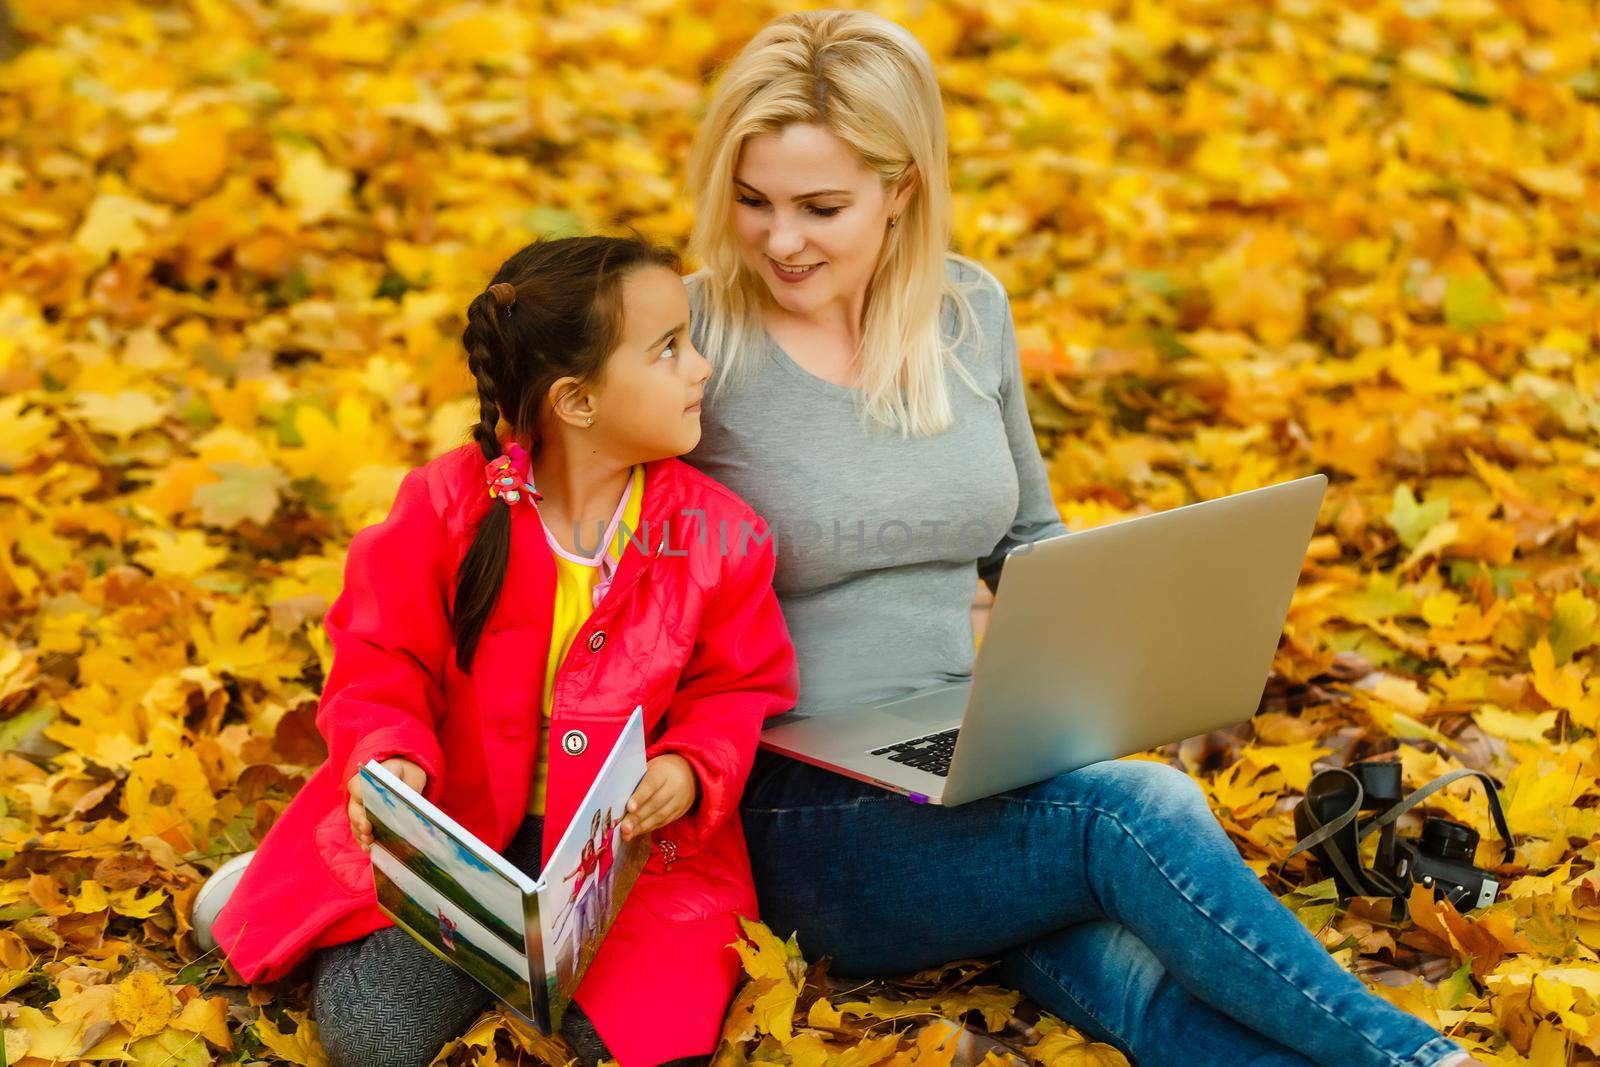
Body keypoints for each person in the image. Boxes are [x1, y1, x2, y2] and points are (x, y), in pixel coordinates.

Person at [676, 10, 1482, 1067]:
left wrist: (1120, 652)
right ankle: (1415, 1059)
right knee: (1135, 809)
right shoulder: (689, 344)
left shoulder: (966, 312)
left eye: (821, 207)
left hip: (980, 763)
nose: (780, 239)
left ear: (903, 187)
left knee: (1135, 985)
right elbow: (617, 589)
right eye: (753, 201)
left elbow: (1032, 543)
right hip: (805, 814)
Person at [196, 234, 800, 1066]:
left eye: (689, 341)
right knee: (378, 1038)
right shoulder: (446, 506)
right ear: (578, 402)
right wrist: (392, 753)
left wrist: (693, 764)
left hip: (628, 861)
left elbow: (738, 685)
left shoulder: (719, 536)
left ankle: (465, 955)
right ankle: (302, 914)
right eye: (669, 350)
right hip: (459, 834)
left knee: (627, 1040)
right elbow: (380, 657)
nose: (701, 369)